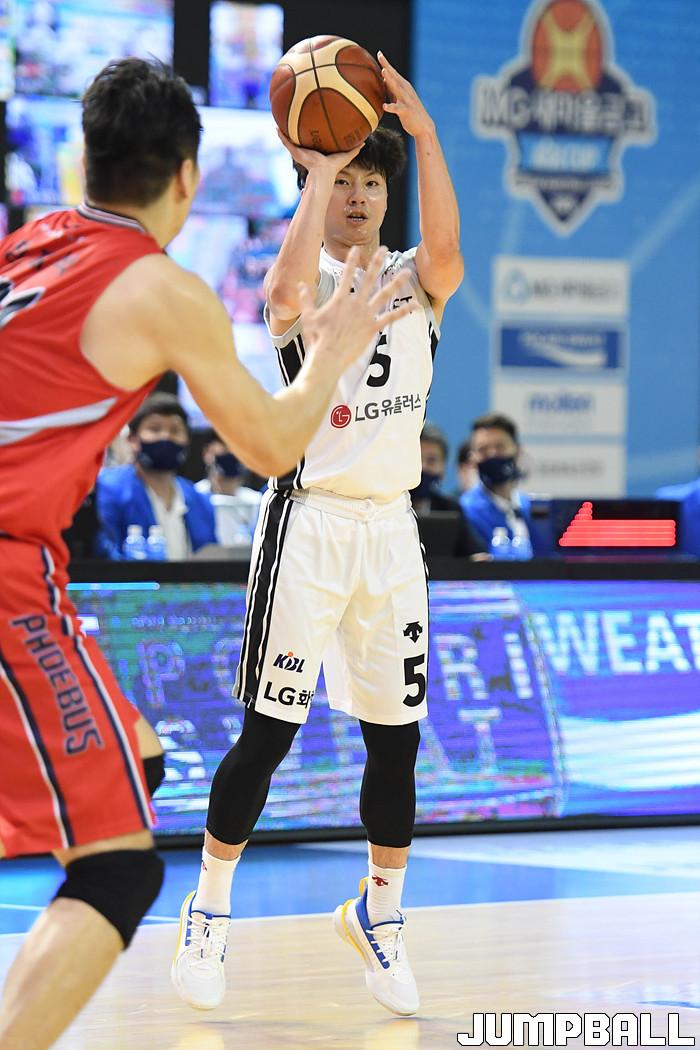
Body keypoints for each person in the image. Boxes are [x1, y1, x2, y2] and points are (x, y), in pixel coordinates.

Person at [0, 56, 412, 1050]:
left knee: (139, 754)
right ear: (188, 177)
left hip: (30, 570)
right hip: (11, 573)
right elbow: (271, 446)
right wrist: (333, 346)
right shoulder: (161, 287)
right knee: (118, 866)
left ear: (81, 163)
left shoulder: (27, 245)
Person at [171, 51, 463, 1019]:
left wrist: (423, 135)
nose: (360, 197)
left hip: (391, 533)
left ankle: (381, 915)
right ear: (321, 187)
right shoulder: (308, 285)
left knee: (396, 745)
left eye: (372, 183)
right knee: (268, 734)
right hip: (309, 525)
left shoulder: (421, 282)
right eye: (346, 182)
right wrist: (319, 165)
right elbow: (284, 294)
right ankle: (209, 909)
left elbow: (448, 245)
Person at [95, 393, 217, 560]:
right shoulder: (108, 490)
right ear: (132, 439)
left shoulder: (201, 501)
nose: (165, 437)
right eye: (155, 429)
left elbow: (213, 562)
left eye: (175, 430)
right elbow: (106, 556)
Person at [459, 412, 536, 557]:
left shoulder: (530, 507)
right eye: (483, 449)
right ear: (473, 457)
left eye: (500, 446)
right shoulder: (465, 510)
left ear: (517, 450)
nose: (492, 454)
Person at [411, 422, 487, 558]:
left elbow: (475, 554)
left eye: (431, 460)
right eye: (416, 458)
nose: (423, 467)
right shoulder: (383, 508)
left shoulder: (451, 509)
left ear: (443, 468)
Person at [195, 429, 263, 546]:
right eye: (225, 444)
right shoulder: (196, 497)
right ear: (207, 452)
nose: (232, 450)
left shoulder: (256, 500)